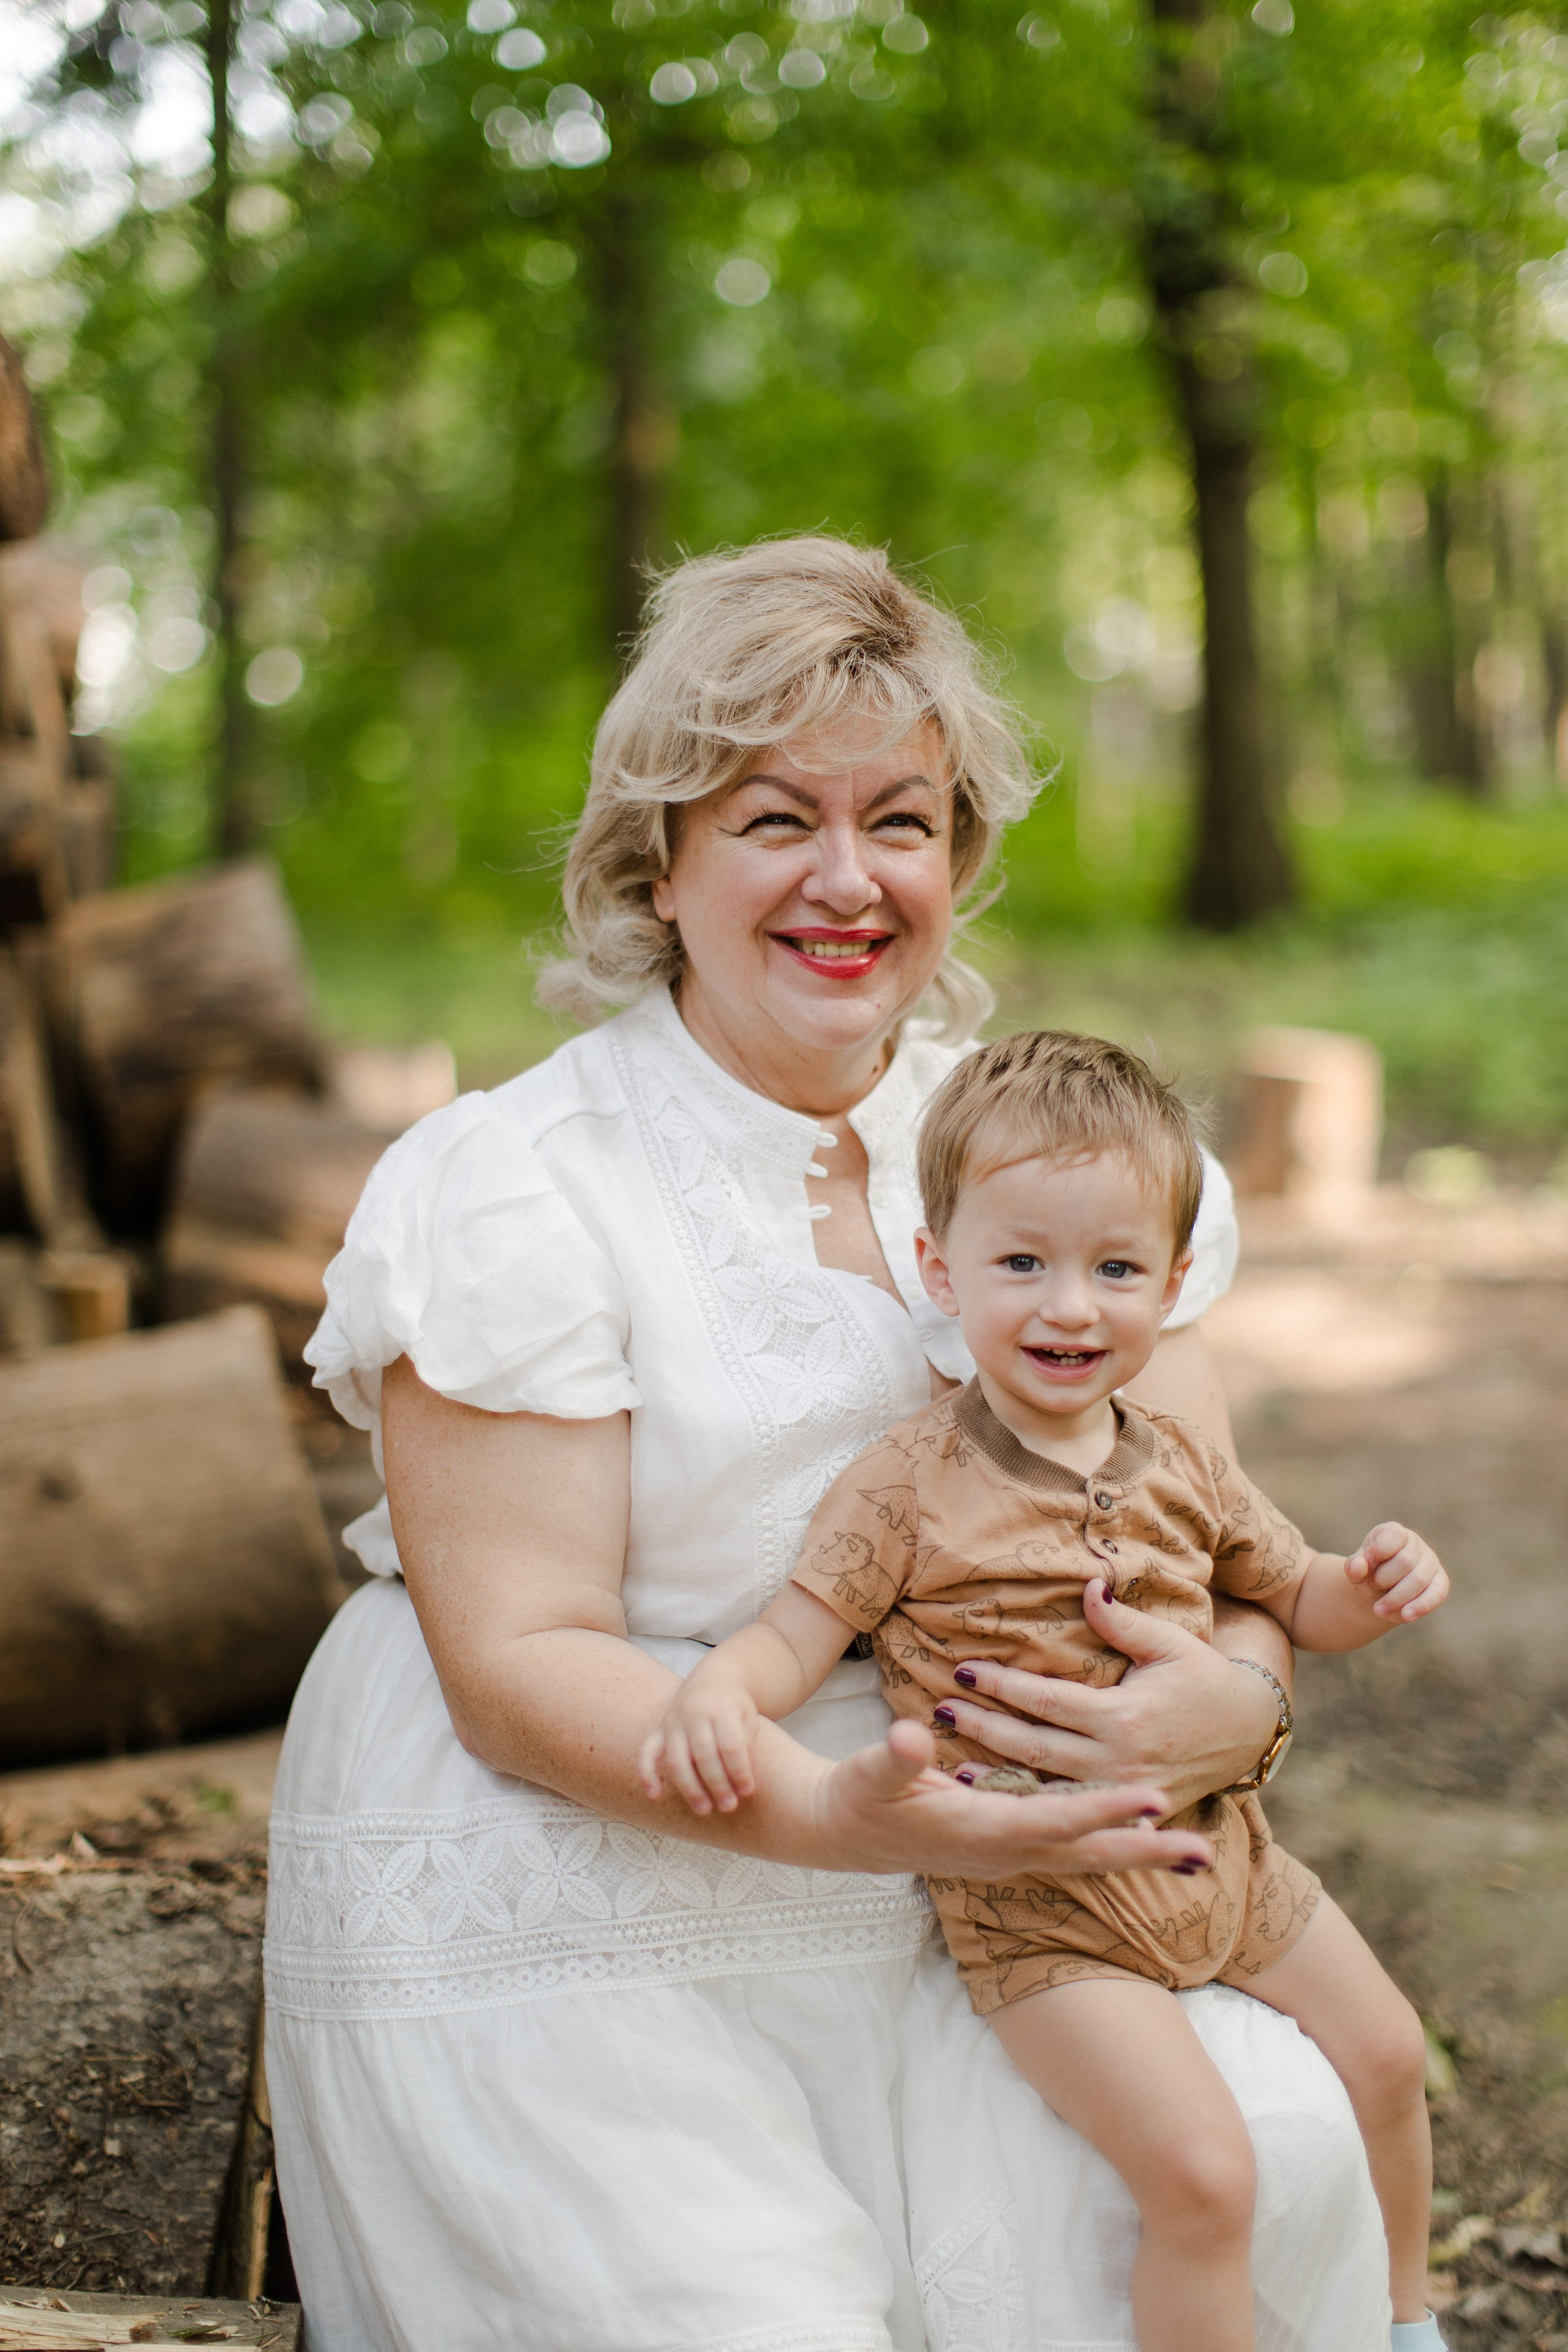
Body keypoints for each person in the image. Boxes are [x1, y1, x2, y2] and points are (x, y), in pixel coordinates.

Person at [265, 536, 1392, 2352]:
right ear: (663, 856)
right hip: (585, 1840)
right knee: (753, 2321)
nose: (852, 881)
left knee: (1271, 2160)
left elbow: (1219, 1534)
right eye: (779, 820)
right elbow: (519, 1664)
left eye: (906, 822)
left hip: (987, 1865)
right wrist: (836, 1812)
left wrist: (1241, 1699)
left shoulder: (1050, 1140)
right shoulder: (520, 1189)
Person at [644, 1029, 1450, 2352]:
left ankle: (1406, 2318)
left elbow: (1295, 1592)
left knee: (1385, 2055)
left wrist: (1370, 1581)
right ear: (936, 1272)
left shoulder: (1178, 1459)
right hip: (1046, 1919)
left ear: (1171, 1285)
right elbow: (796, 1630)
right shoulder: (907, 1484)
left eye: (1114, 1269)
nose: (1068, 1307)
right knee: (1202, 2174)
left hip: (1225, 1862)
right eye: (1020, 1263)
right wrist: (720, 1695)